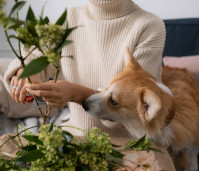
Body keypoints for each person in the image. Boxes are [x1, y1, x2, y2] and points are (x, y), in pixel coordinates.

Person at [2, 0, 166, 137]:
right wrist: (28, 70)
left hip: (128, 145)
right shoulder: (70, 19)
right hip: (74, 136)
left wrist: (77, 94)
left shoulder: (149, 26)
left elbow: (136, 108)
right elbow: (35, 52)